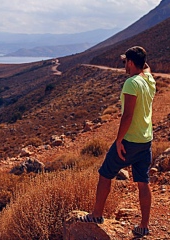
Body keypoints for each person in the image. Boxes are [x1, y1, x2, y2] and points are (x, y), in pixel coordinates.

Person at [78, 46, 156, 237]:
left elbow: (127, 115)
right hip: (145, 140)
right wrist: (142, 60)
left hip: (129, 140)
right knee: (143, 182)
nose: (124, 66)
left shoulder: (132, 83)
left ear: (130, 62)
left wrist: (119, 140)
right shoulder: (149, 80)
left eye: (125, 62)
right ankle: (144, 226)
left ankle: (96, 215)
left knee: (105, 173)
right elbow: (147, 68)